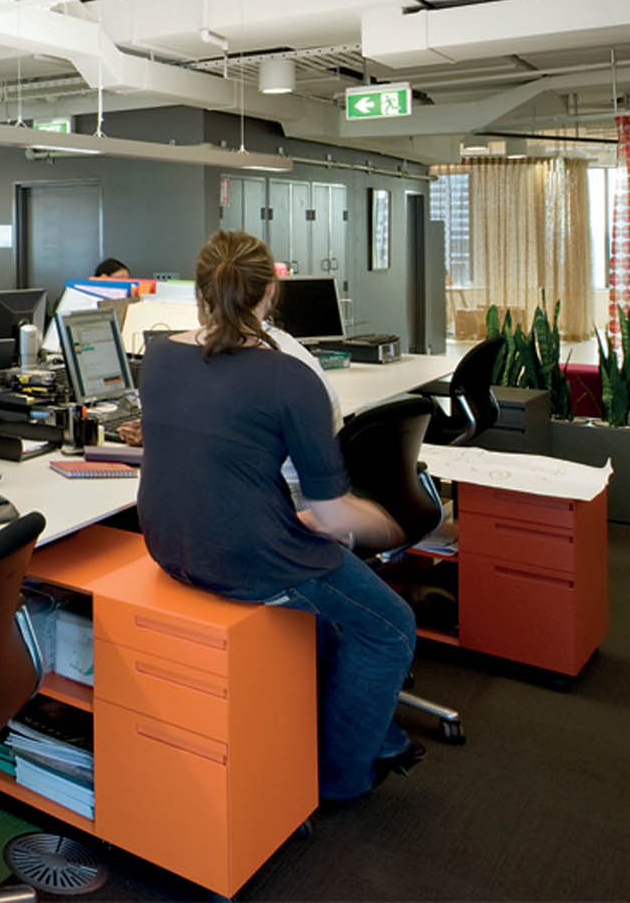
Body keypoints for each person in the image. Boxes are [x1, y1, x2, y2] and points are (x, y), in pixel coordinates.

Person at [137, 230, 421, 802]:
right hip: (251, 560)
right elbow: (333, 512)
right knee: (391, 629)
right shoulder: (291, 377)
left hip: (168, 547)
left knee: (327, 602)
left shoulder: (159, 356)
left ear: (200, 291)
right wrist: (387, 524)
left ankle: (339, 721)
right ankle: (341, 778)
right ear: (271, 292)